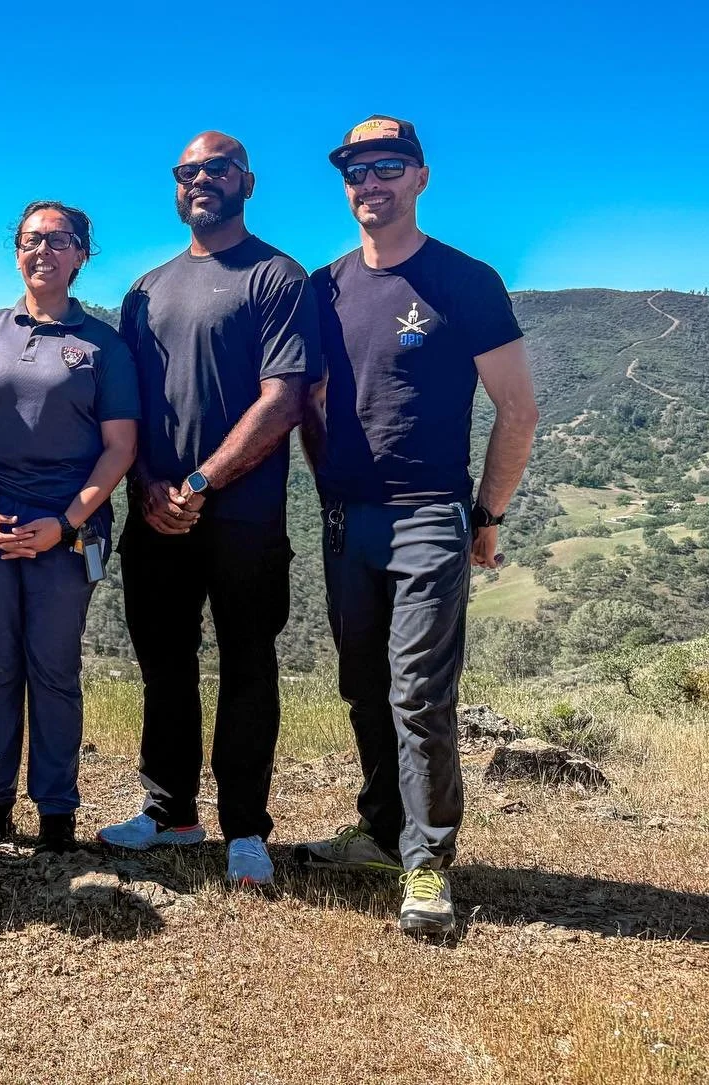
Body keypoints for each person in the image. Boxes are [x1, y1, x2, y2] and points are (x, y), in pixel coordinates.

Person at [295, 116, 539, 936]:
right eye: (357, 171)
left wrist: (487, 514)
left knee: (419, 694)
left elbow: (518, 409)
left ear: (421, 177)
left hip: (429, 516)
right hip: (346, 518)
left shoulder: (466, 280)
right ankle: (379, 832)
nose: (372, 183)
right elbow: (316, 399)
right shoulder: (326, 286)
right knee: (363, 685)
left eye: (388, 166)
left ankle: (428, 863)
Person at [97, 132, 320, 888]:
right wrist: (149, 490)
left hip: (244, 517)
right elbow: (126, 407)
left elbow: (283, 397)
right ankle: (170, 812)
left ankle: (247, 829)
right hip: (154, 511)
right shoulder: (145, 289)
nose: (201, 180)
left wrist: (197, 483)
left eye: (216, 168)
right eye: (187, 171)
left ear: (246, 181)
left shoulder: (278, 277)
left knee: (248, 666)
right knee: (164, 664)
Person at [0, 202, 138, 856]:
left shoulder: (103, 346)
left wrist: (64, 522)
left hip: (68, 528)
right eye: (30, 240)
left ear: (82, 253)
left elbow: (120, 448)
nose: (42, 250)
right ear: (16, 251)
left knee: (53, 666)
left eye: (58, 240)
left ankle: (56, 810)